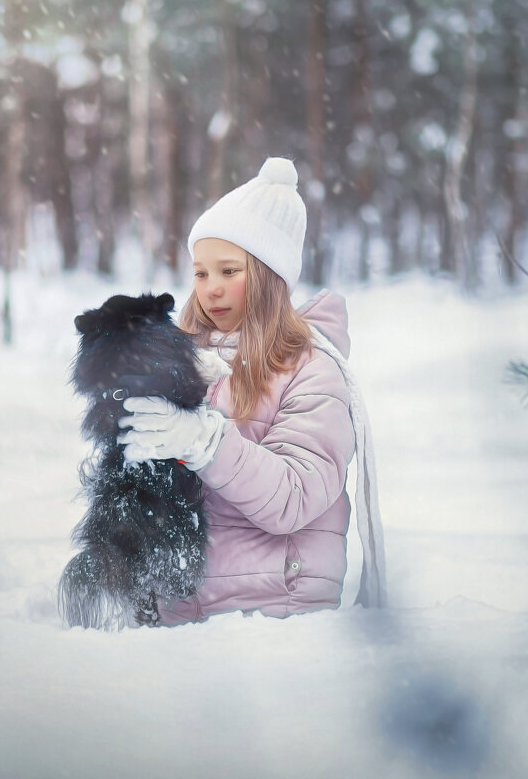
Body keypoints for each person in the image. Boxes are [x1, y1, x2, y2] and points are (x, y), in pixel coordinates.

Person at [117, 156, 386, 624]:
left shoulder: (313, 371)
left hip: (275, 620)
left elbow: (295, 498)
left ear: (267, 277)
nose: (211, 289)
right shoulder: (184, 363)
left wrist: (207, 443)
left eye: (229, 271)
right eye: (201, 273)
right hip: (183, 618)